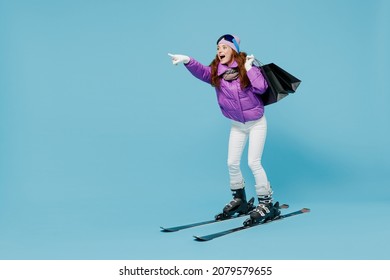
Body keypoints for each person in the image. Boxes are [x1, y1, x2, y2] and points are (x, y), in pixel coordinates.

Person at [168, 34, 280, 225]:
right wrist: (187, 60)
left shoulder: (248, 68)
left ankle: (266, 203)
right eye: (218, 48)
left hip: (256, 123)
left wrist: (249, 69)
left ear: (233, 49)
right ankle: (240, 201)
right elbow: (202, 72)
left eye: (224, 47)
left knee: (253, 162)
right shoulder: (216, 73)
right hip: (237, 124)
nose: (220, 50)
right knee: (232, 163)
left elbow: (261, 88)